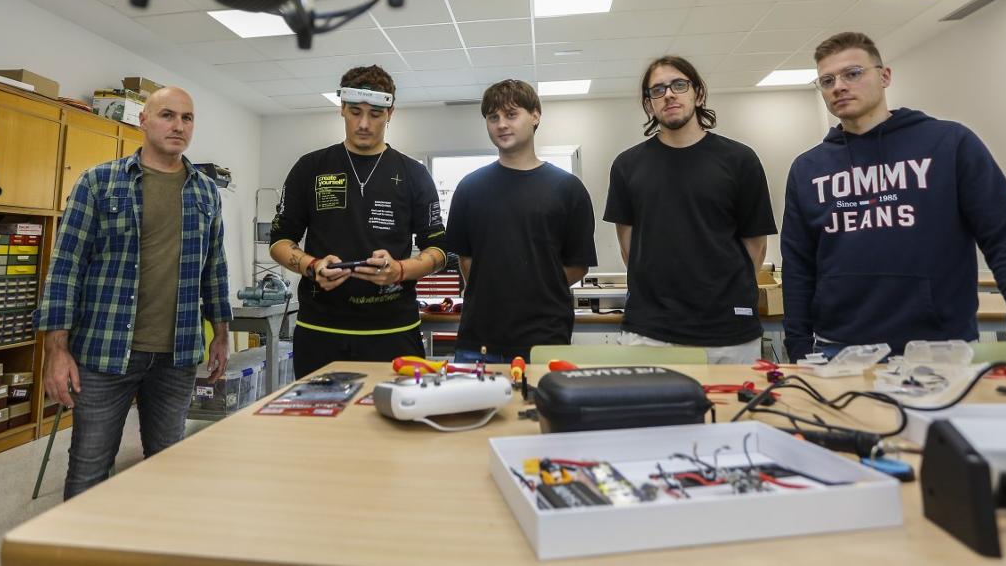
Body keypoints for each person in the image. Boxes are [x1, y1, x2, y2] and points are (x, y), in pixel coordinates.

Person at [781, 31, 1006, 361]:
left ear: (884, 76)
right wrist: (797, 345)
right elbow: (798, 267)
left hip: (939, 344)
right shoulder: (808, 168)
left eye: (853, 73)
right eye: (827, 80)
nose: (839, 86)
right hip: (839, 349)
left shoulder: (949, 144)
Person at [38, 87, 231, 500]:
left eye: (187, 118)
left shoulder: (205, 193)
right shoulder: (98, 183)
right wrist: (56, 350)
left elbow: (214, 268)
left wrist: (222, 333)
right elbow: (65, 268)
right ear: (143, 121)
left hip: (176, 355)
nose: (178, 126)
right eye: (167, 115)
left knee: (168, 466)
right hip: (105, 352)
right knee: (89, 469)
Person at [269, 65, 447, 378]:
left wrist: (401, 270)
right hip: (320, 330)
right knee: (321, 424)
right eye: (355, 112)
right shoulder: (310, 168)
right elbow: (280, 241)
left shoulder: (414, 175)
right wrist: (312, 266)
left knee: (394, 422)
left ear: (391, 112)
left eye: (376, 113)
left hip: (393, 331)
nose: (364, 124)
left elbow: (438, 250)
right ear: (342, 109)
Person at [604, 56, 777, 364]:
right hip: (649, 334)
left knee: (731, 413)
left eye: (679, 85)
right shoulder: (627, 166)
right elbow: (628, 247)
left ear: (698, 94)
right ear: (648, 105)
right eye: (657, 90)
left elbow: (756, 247)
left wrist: (720, 296)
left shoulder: (740, 160)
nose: (669, 94)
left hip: (727, 334)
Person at [444, 80, 597, 364]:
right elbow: (465, 259)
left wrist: (533, 285)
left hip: (545, 341)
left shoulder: (568, 189)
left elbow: (578, 264)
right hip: (478, 342)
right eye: (493, 117)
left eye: (511, 114)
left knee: (541, 409)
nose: (501, 124)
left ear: (536, 115)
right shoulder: (469, 188)